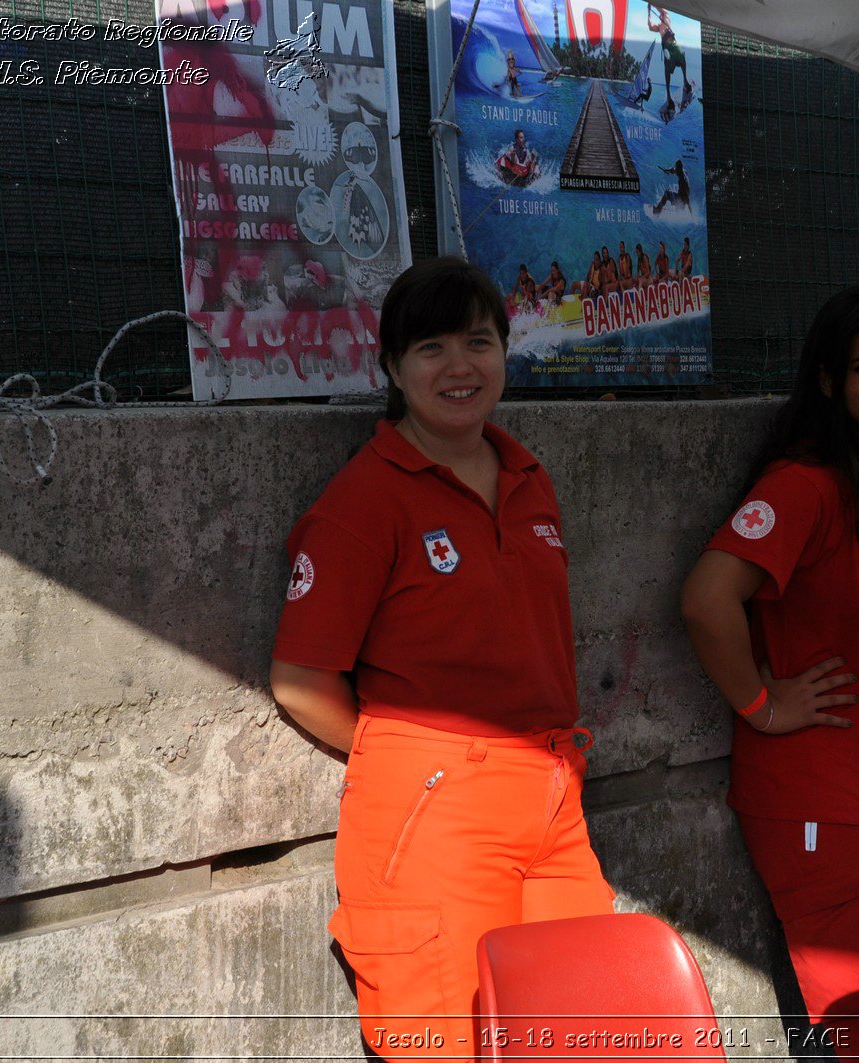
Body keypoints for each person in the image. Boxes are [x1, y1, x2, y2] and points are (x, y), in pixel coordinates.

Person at [270, 257, 614, 1062]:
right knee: (445, 1044)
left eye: (479, 341)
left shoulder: (529, 476)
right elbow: (299, 679)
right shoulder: (364, 500)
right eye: (431, 347)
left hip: (553, 797)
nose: (460, 366)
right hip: (434, 809)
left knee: (587, 1029)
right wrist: (413, 752)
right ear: (391, 366)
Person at [680, 285, 859, 1061]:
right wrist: (762, 704)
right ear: (829, 384)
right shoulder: (802, 486)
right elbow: (709, 601)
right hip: (819, 792)